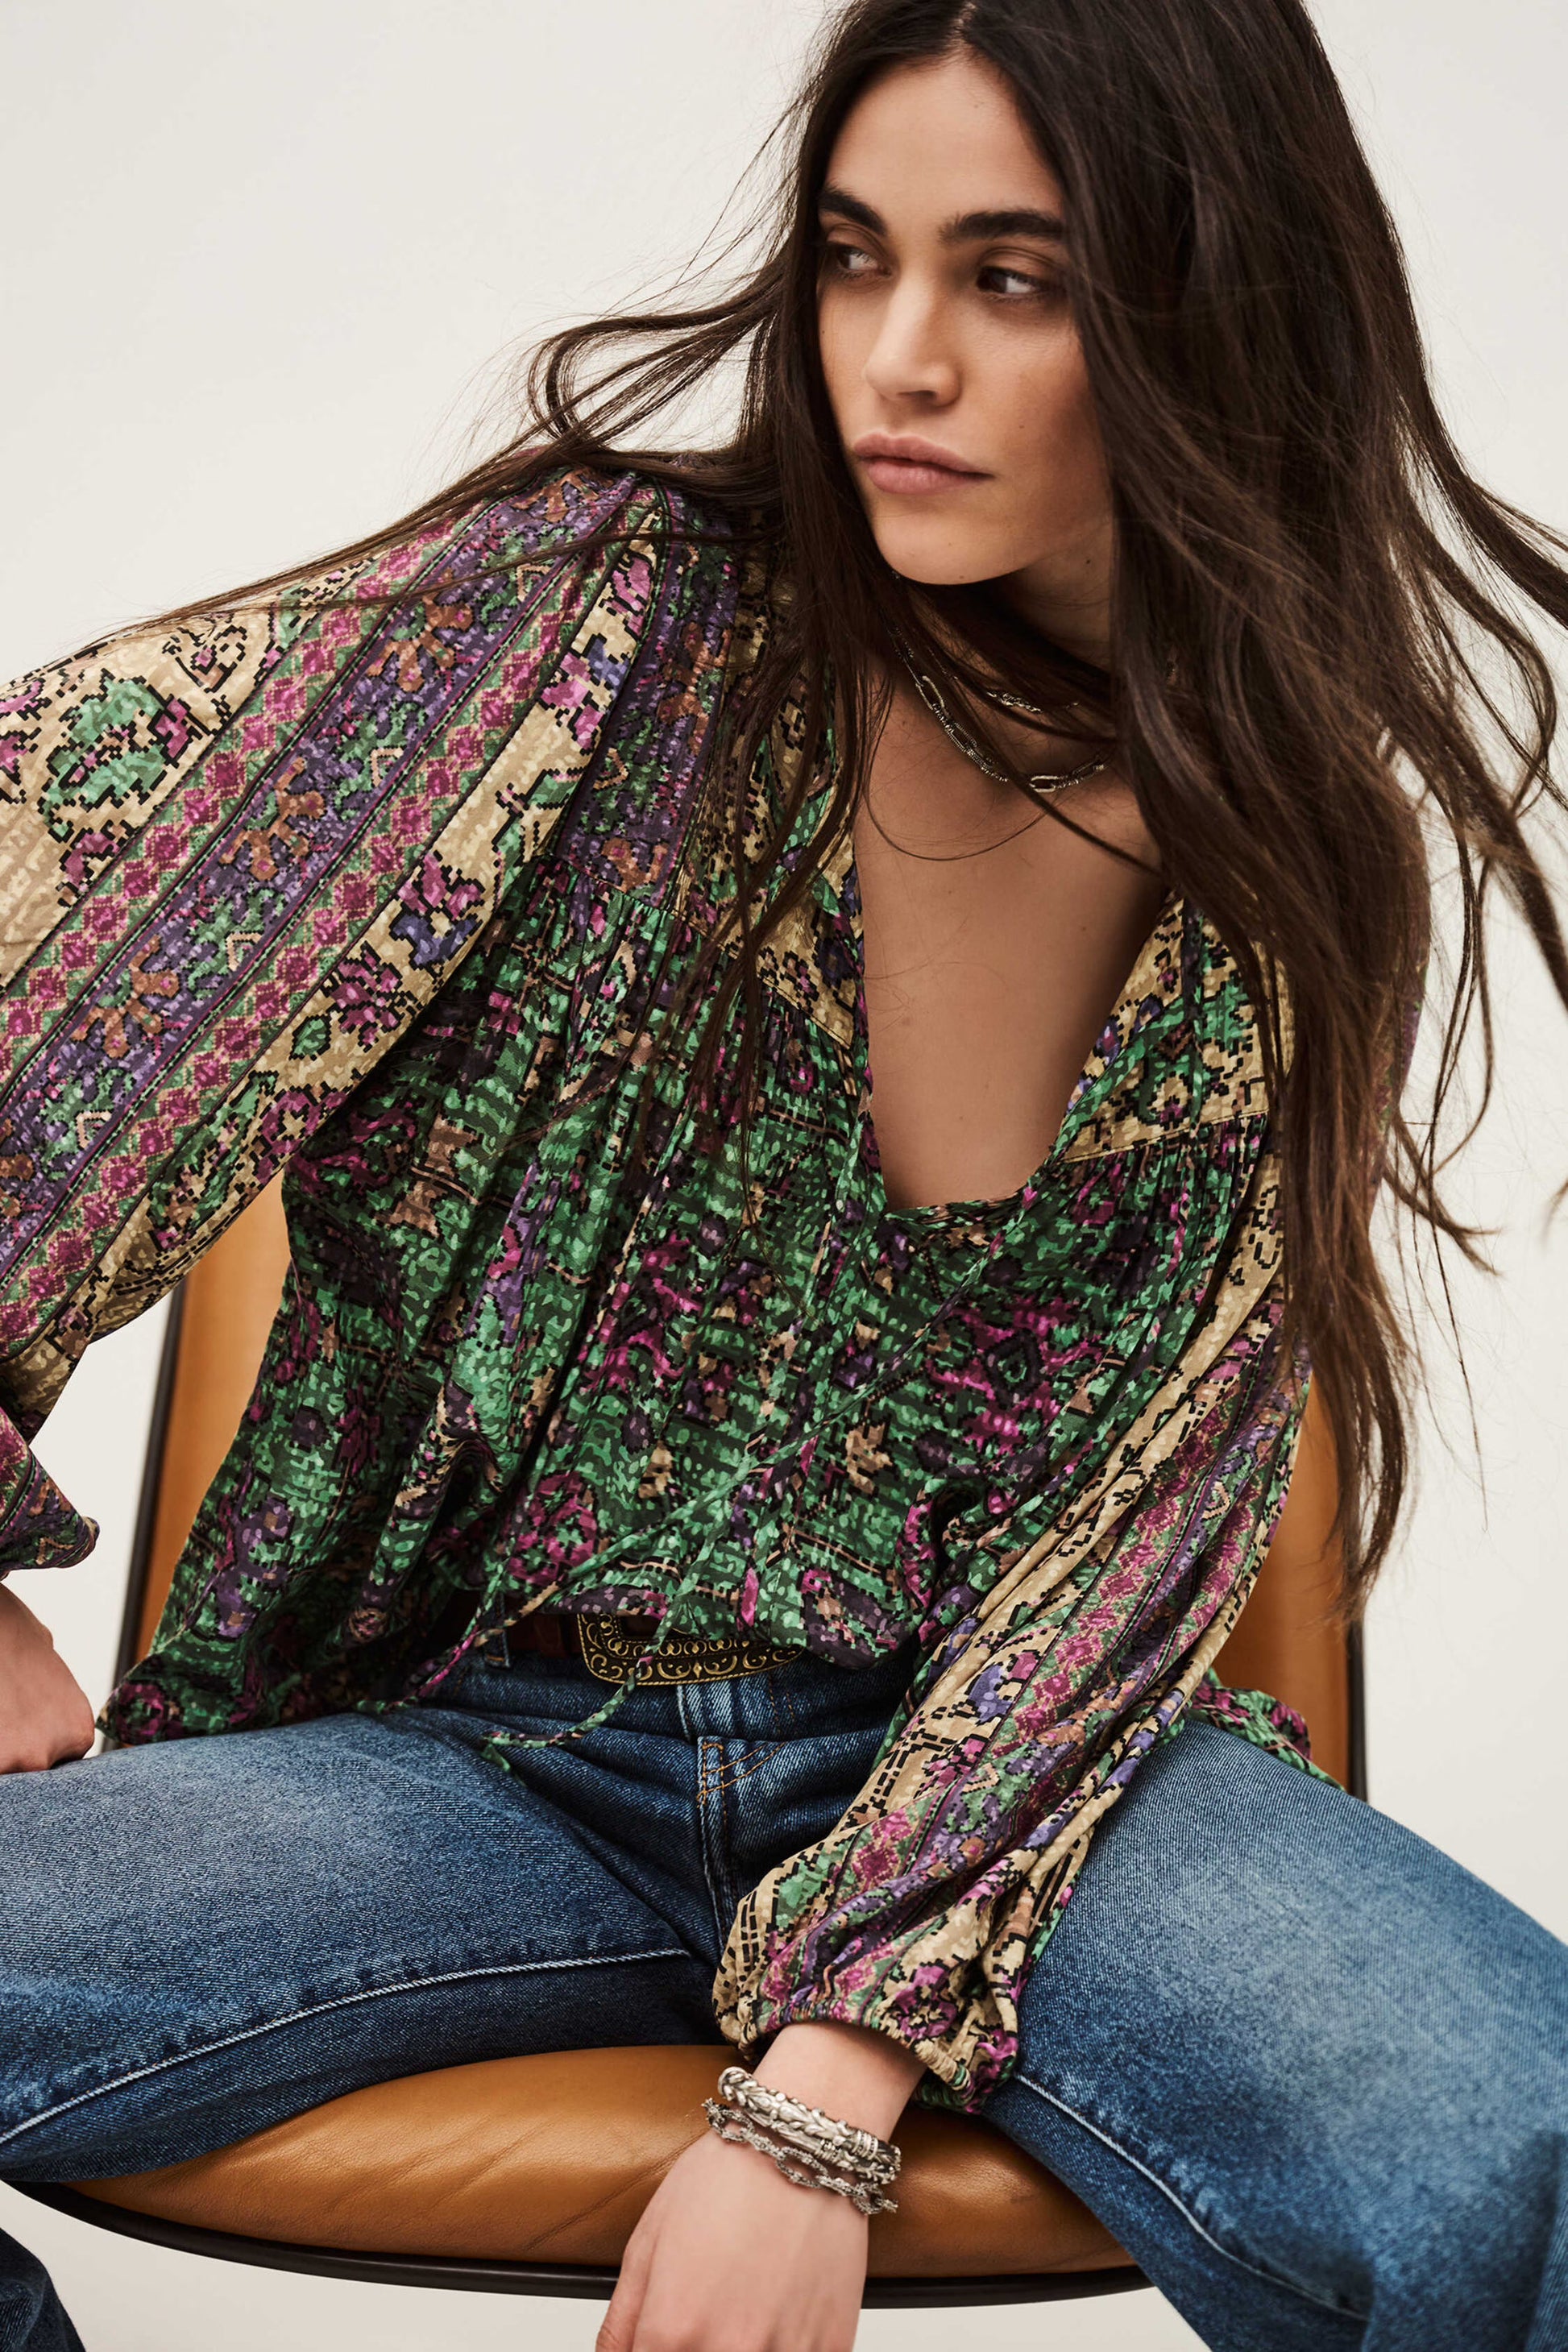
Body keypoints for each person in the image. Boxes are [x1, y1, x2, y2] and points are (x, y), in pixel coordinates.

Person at [2, 2, 1566, 2347]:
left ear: (1213, 304)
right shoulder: (582, 629)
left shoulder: (1287, 846)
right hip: (488, 1750)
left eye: (1013, 278)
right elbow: (59, 864)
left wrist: (830, 2077)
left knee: (1526, 2153)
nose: (895, 357)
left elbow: (1150, 1513)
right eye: (853, 256)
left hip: (1047, 1795)